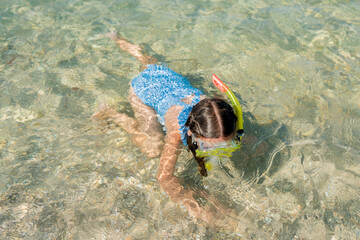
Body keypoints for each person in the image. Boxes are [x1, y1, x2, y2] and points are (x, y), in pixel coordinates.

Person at [92, 33, 244, 228]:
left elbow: (219, 100)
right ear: (191, 133)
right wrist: (201, 211)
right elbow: (164, 179)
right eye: (207, 146)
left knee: (149, 64)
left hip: (165, 76)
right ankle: (111, 113)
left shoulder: (220, 111)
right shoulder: (176, 133)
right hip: (143, 92)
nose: (219, 151)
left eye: (227, 143)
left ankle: (130, 47)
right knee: (152, 147)